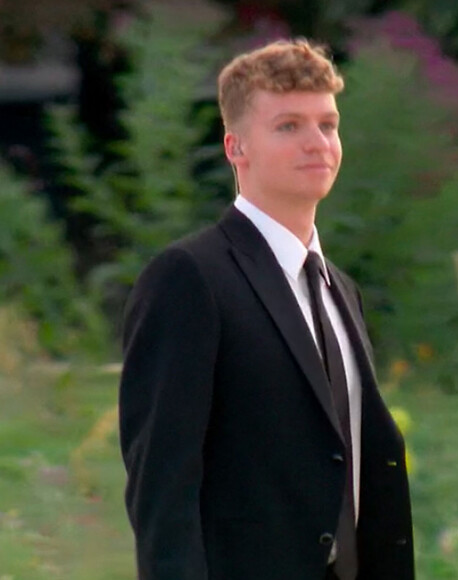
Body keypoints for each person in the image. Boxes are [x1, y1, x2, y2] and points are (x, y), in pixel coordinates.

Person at [119, 38, 414, 580]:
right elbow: (161, 484)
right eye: (288, 126)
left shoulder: (339, 289)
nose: (317, 143)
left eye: (327, 125)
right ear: (236, 148)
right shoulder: (190, 277)